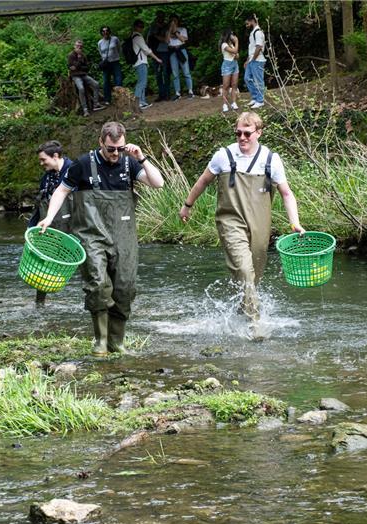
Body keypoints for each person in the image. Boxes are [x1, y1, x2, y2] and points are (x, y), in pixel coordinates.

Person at [40, 122, 165, 356]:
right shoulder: (83, 164)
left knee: (125, 288)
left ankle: (117, 342)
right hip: (91, 235)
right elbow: (62, 191)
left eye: (119, 148)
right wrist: (48, 218)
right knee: (97, 284)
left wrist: (143, 158)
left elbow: (158, 184)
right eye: (110, 149)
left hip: (124, 237)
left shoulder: (130, 162)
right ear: (101, 142)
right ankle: (101, 340)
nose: (115, 154)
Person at [179, 112, 305, 326]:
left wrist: (295, 223)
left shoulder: (270, 159)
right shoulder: (223, 156)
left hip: (259, 228)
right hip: (230, 224)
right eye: (238, 133)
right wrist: (187, 206)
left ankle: (239, 312)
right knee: (245, 271)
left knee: (252, 278)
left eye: (247, 133)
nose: (242, 138)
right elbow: (202, 182)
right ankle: (255, 325)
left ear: (259, 133)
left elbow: (286, 193)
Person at [30, 141, 74, 306]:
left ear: (55, 156)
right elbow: (39, 205)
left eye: (43, 160)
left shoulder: (74, 171)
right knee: (43, 264)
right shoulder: (46, 178)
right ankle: (39, 304)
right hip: (49, 229)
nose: (41, 164)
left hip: (73, 230)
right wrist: (31, 228)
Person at [132, 19, 163, 109]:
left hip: (138, 62)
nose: (141, 28)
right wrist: (157, 58)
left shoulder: (133, 36)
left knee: (142, 82)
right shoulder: (137, 37)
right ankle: (138, 103)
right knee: (142, 83)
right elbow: (146, 50)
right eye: (139, 26)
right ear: (135, 27)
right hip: (140, 62)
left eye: (142, 26)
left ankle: (142, 102)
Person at [67, 39, 103, 116]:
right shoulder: (71, 55)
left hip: (83, 75)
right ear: (74, 46)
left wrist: (77, 66)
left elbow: (87, 67)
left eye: (80, 46)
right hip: (75, 76)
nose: (79, 48)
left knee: (96, 84)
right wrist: (79, 62)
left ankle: (96, 104)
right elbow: (71, 67)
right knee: (81, 88)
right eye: (77, 46)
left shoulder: (83, 55)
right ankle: (85, 109)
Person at [167, 14, 194, 100]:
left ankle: (190, 91)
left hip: (181, 50)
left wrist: (175, 31)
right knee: (175, 74)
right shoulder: (167, 31)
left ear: (177, 21)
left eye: (175, 21)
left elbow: (183, 40)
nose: (173, 22)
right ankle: (177, 93)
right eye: (171, 21)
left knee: (186, 72)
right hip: (172, 52)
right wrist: (170, 30)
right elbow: (167, 41)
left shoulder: (182, 29)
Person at [243, 14, 266, 108]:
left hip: (258, 60)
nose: (246, 25)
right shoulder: (253, 32)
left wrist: (253, 59)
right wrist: (247, 60)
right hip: (252, 59)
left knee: (258, 80)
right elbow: (252, 48)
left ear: (252, 21)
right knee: (247, 78)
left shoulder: (258, 32)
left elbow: (259, 47)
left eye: (247, 23)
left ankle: (260, 100)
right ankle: (255, 97)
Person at [148, 11, 171, 102]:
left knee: (165, 73)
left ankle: (167, 94)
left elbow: (166, 40)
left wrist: (156, 36)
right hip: (155, 52)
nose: (160, 17)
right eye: (159, 16)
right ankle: (161, 94)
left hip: (164, 52)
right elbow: (148, 38)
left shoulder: (166, 26)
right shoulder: (153, 26)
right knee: (158, 75)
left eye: (162, 16)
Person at [97, 26, 122, 104]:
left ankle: (119, 97)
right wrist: (105, 60)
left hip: (115, 62)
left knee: (118, 79)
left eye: (107, 31)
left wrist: (117, 56)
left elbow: (119, 48)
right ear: (101, 33)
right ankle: (107, 99)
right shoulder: (100, 42)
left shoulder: (115, 39)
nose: (105, 32)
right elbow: (101, 53)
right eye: (103, 31)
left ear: (109, 31)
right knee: (106, 81)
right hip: (106, 64)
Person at [220, 29, 240, 113]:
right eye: (232, 34)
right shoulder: (224, 44)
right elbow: (235, 52)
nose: (233, 36)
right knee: (226, 86)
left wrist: (235, 53)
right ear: (228, 35)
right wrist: (237, 41)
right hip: (227, 65)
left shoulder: (231, 44)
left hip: (234, 64)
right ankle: (225, 104)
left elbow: (237, 56)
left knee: (234, 85)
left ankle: (234, 102)